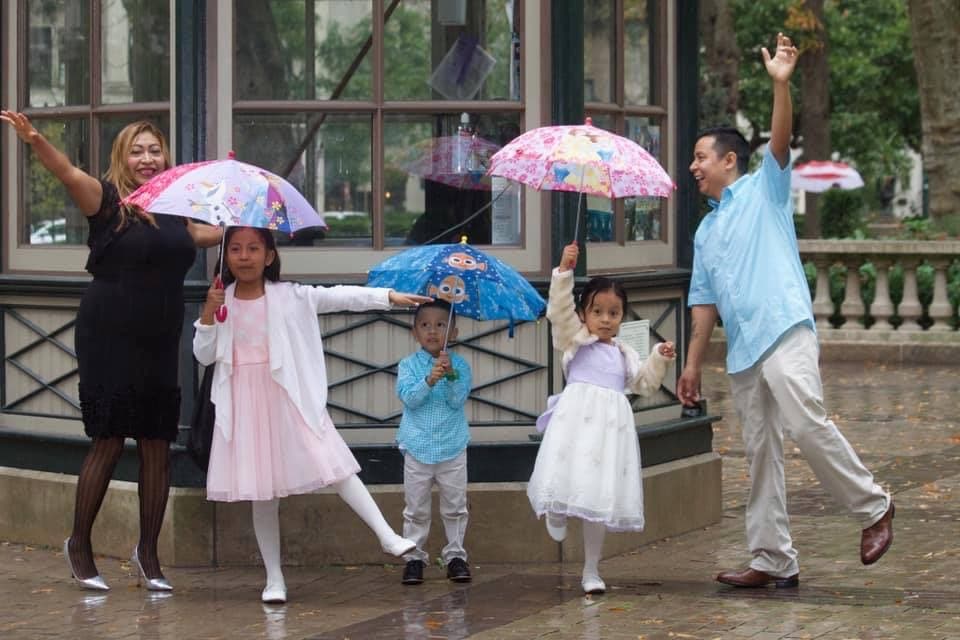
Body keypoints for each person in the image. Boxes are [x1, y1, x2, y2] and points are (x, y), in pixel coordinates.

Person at [677, 33, 894, 589]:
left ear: (729, 160)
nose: (694, 167)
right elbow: (703, 304)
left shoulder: (763, 190)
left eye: (701, 157)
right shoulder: (704, 231)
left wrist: (781, 84)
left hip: (784, 329)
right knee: (760, 453)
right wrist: (693, 365)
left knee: (803, 420)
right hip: (745, 350)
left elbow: (777, 140)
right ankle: (773, 559)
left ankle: (873, 507)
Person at [0, 111, 222, 592]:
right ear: (122, 157)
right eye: (137, 150)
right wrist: (37, 140)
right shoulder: (107, 199)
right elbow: (66, 172)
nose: (147, 158)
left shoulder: (176, 210)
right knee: (109, 438)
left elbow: (212, 235)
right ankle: (79, 544)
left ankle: (148, 554)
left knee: (157, 443)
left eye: (154, 149)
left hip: (161, 334)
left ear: (165, 155)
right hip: (110, 332)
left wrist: (240, 219)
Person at [193, 226, 431, 604]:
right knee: (262, 493)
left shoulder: (290, 296)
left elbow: (339, 297)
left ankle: (387, 535)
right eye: (235, 248)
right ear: (226, 256)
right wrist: (208, 314)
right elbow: (204, 356)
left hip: (289, 395)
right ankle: (274, 578)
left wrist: (387, 296)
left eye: (253, 248)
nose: (244, 256)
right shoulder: (222, 301)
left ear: (269, 255)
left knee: (334, 463)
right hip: (245, 402)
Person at [527, 242, 675, 595]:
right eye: (597, 311)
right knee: (565, 471)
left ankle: (591, 569)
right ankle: (557, 509)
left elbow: (645, 384)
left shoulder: (625, 353)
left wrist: (659, 356)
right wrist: (564, 270)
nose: (605, 320)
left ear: (622, 316)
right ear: (584, 313)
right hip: (576, 425)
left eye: (614, 313)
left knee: (598, 500)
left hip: (609, 434)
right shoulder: (574, 340)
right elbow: (558, 312)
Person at [395, 299, 473, 586]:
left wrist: (450, 374)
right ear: (414, 331)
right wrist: (429, 379)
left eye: (441, 325)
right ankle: (414, 558)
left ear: (453, 332)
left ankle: (455, 556)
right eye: (425, 325)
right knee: (416, 507)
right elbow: (409, 399)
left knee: (455, 504)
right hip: (417, 446)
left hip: (452, 446)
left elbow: (457, 400)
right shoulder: (408, 365)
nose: (432, 331)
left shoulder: (461, 365)